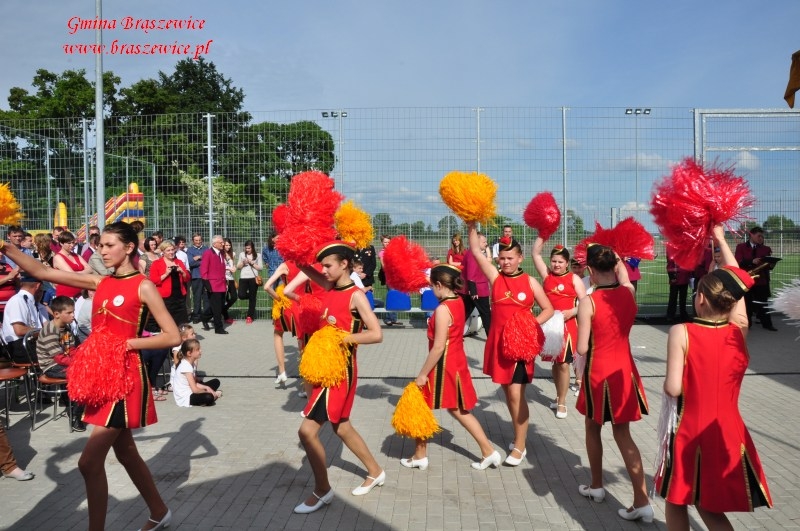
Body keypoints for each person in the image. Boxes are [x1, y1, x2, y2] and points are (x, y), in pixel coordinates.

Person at [0, 222, 180, 531]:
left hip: (125, 378)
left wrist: (126, 344)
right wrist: (6, 247)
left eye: (110, 245)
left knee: (88, 463)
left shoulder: (143, 286)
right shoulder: (100, 281)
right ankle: (160, 511)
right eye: (101, 245)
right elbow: (41, 271)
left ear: (129, 248)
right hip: (100, 376)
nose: (103, 250)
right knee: (126, 452)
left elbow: (172, 336)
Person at [655, 224, 773, 530]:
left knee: (677, 499)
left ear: (702, 300)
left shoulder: (682, 332)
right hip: (729, 430)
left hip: (690, 430)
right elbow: (738, 287)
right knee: (710, 507)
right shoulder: (739, 333)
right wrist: (720, 239)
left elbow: (673, 387)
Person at [290, 241, 385, 514]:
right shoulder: (331, 286)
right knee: (341, 426)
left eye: (328, 265)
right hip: (325, 369)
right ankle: (375, 471)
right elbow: (309, 271)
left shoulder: (356, 296)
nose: (324, 270)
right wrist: (297, 251)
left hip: (340, 372)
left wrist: (344, 338)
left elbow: (376, 334)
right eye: (322, 266)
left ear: (344, 264)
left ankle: (323, 491)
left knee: (306, 432)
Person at [575, 244, 651, 523]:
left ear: (590, 270)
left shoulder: (589, 301)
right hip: (625, 371)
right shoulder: (629, 293)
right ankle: (642, 500)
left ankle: (597, 486)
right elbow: (625, 279)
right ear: (615, 265)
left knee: (592, 427)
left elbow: (582, 348)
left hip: (599, 373)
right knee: (623, 434)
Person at [467, 222, 554, 466]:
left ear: (520, 258)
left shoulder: (530, 282)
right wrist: (471, 223)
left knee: (516, 394)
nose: (505, 262)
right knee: (508, 393)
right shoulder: (495, 278)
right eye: (502, 258)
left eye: (510, 258)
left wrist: (529, 325)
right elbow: (475, 251)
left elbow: (548, 309)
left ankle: (520, 447)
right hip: (499, 345)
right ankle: (518, 436)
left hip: (520, 347)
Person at [400, 264, 500, 471]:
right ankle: (488, 451)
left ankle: (421, 456)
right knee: (457, 409)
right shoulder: (458, 301)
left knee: (421, 405)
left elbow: (438, 347)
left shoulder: (443, 309)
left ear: (439, 285)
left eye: (431, 286)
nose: (431, 290)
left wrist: (422, 374)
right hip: (456, 361)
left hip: (443, 364)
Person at [532, 237, 586, 420]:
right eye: (554, 261)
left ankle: (562, 401)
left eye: (560, 262)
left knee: (563, 364)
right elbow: (535, 254)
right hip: (550, 326)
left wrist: (572, 311)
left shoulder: (574, 278)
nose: (556, 265)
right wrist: (542, 234)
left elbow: (585, 302)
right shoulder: (547, 276)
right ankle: (558, 396)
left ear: (567, 263)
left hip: (568, 326)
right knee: (555, 363)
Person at [35, 295, 86, 431]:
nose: (73, 315)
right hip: (51, 366)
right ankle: (75, 416)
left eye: (73, 312)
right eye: (69, 312)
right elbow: (59, 358)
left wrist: (82, 359)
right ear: (56, 314)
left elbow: (71, 350)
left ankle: (72, 404)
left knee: (87, 369)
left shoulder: (66, 328)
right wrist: (80, 364)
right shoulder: (50, 330)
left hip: (62, 362)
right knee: (82, 376)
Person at [734, 226, 777, 331]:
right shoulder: (741, 247)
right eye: (759, 236)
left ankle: (767, 324)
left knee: (763, 303)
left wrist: (771, 264)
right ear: (751, 235)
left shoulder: (766, 249)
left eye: (762, 236)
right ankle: (746, 324)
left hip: (761, 280)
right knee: (746, 303)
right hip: (745, 279)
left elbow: (769, 266)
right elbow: (738, 261)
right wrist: (751, 261)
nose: (761, 238)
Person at [264, 260, 295, 386]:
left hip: (286, 304)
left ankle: (282, 372)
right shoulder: (307, 265)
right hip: (301, 302)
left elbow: (267, 287)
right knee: (303, 339)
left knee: (278, 334)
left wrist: (278, 298)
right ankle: (306, 383)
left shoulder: (285, 265)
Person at [1, 274, 43, 364]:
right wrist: (44, 331)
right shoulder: (18, 300)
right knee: (56, 358)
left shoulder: (29, 300)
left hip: (29, 344)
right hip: (19, 347)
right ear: (38, 285)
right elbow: (19, 330)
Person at [149, 240, 190, 328]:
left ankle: (181, 335)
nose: (171, 252)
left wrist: (182, 272)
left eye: (172, 250)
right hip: (166, 297)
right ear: (163, 252)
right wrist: (166, 274)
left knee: (181, 322)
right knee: (168, 321)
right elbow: (154, 280)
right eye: (168, 250)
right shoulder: (156, 263)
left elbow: (187, 278)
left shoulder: (179, 262)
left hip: (179, 296)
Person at [172, 339, 222, 407]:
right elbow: (195, 390)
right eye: (198, 349)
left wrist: (207, 387)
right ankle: (211, 397)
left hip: (191, 389)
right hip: (186, 396)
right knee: (209, 397)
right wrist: (208, 391)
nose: (200, 351)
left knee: (216, 382)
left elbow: (195, 383)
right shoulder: (186, 367)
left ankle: (207, 398)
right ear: (189, 353)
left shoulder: (190, 363)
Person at [460, 231, 491, 336]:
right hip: (478, 290)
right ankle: (491, 337)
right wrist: (473, 290)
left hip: (473, 289)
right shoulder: (473, 254)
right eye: (484, 242)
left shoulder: (473, 252)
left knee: (464, 313)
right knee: (486, 314)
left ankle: (452, 334)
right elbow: (471, 273)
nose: (486, 244)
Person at [200, 235, 228, 334]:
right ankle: (218, 328)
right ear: (214, 244)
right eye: (221, 242)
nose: (223, 244)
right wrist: (207, 284)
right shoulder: (208, 253)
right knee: (217, 308)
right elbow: (203, 269)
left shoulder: (221, 253)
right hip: (213, 284)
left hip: (222, 283)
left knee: (219, 306)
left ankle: (204, 317)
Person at [52, 231, 91, 298]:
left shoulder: (76, 255)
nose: (72, 245)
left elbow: (90, 269)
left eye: (73, 243)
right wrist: (84, 272)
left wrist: (77, 273)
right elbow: (72, 275)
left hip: (80, 293)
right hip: (66, 294)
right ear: (61, 243)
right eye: (69, 243)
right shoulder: (58, 257)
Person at [237, 239, 263, 324]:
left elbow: (260, 268)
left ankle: (249, 316)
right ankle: (252, 296)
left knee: (252, 299)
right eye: (246, 248)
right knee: (241, 295)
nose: (247, 250)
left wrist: (252, 263)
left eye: (249, 248)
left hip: (253, 278)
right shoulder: (242, 254)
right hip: (243, 277)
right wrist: (243, 263)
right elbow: (238, 267)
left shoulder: (258, 255)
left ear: (252, 248)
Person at [187, 233, 209, 323]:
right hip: (196, 276)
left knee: (206, 297)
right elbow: (190, 263)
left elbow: (209, 261)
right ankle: (196, 316)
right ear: (193, 241)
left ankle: (206, 316)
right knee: (197, 297)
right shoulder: (190, 250)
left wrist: (197, 259)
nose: (198, 242)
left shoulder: (206, 249)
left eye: (200, 240)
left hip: (206, 276)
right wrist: (202, 260)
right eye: (196, 240)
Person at [377, 234, 398, 326]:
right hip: (389, 277)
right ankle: (388, 318)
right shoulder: (382, 253)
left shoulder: (394, 251)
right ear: (382, 242)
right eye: (385, 242)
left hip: (396, 277)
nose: (387, 244)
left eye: (389, 242)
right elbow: (384, 266)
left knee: (395, 296)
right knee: (391, 295)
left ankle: (393, 318)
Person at [666, 250, 691, 323]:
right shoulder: (673, 252)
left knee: (683, 298)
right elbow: (670, 264)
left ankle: (682, 315)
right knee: (673, 297)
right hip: (676, 277)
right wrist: (672, 276)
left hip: (684, 276)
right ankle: (670, 315)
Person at [221, 238, 238, 325]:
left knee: (234, 297)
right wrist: (228, 268)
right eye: (226, 245)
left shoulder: (232, 254)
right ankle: (226, 317)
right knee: (225, 298)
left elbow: (233, 264)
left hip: (230, 278)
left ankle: (223, 309)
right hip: (223, 278)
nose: (228, 247)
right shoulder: (220, 254)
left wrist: (234, 268)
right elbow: (220, 266)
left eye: (229, 245)